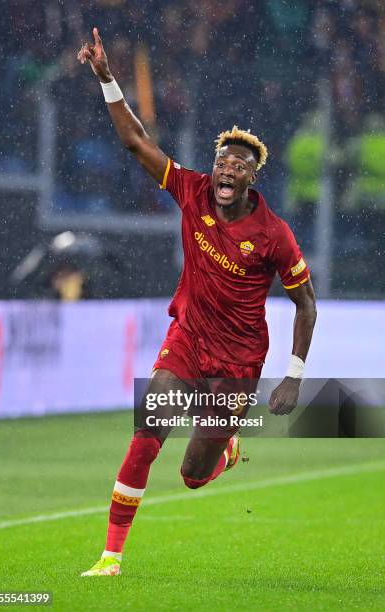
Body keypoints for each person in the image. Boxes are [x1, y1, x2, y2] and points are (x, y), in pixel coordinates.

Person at [77, 28, 317, 577]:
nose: (227, 171)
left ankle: (226, 445)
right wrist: (109, 79)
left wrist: (293, 376)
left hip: (238, 361)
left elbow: (306, 304)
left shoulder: (274, 234)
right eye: (222, 162)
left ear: (253, 177)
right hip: (188, 338)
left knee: (191, 474)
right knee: (147, 429)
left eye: (239, 166)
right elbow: (137, 142)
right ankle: (111, 556)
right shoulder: (192, 190)